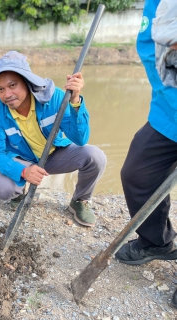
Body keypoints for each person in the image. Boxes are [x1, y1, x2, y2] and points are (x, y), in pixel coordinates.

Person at [0, 51, 106, 227]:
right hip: (23, 160)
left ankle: (79, 201)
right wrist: (23, 172)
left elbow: (80, 139)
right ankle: (19, 193)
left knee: (95, 156)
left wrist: (75, 102)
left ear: (27, 82)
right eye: (1, 89)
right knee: (4, 190)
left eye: (13, 85)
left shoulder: (56, 97)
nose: (7, 94)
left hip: (53, 155)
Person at [113, 0, 177, 309]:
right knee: (137, 173)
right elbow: (150, 51)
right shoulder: (159, 3)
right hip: (170, 109)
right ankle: (157, 242)